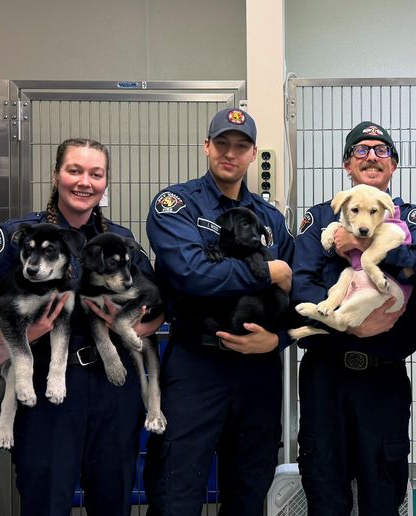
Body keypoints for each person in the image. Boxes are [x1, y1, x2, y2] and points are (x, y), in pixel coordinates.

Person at [0, 138, 163, 515]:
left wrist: (128, 328)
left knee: (113, 496)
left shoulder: (121, 241)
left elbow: (156, 313)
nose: (85, 182)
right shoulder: (20, 236)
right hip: (46, 388)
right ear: (55, 176)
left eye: (95, 174)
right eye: (74, 170)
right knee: (45, 498)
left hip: (112, 387)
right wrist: (24, 337)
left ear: (105, 182)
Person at [291, 121, 416, 515]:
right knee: (325, 492)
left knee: (383, 492)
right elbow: (301, 285)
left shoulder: (411, 220)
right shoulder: (320, 218)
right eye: (361, 150)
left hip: (384, 377)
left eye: (382, 150)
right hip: (325, 376)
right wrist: (348, 323)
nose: (372, 157)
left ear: (394, 166)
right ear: (347, 165)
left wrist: (367, 243)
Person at [143, 107, 294, 516]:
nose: (230, 154)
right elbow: (192, 274)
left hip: (258, 374)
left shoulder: (271, 219)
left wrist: (277, 340)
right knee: (177, 489)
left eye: (240, 146)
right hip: (196, 365)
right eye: (222, 144)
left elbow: (296, 294)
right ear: (207, 146)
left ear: (252, 154)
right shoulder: (176, 205)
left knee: (248, 490)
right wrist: (268, 270)